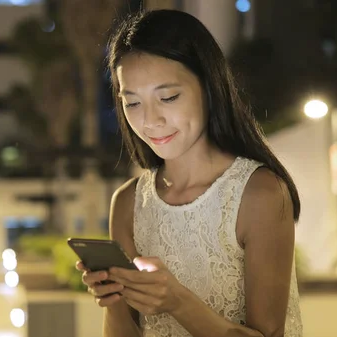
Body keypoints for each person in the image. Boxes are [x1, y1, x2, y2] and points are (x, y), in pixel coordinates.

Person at [76, 9, 303, 337]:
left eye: (167, 97)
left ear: (209, 88)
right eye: (133, 103)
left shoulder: (259, 193)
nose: (150, 120)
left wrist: (178, 301)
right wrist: (113, 298)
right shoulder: (128, 203)